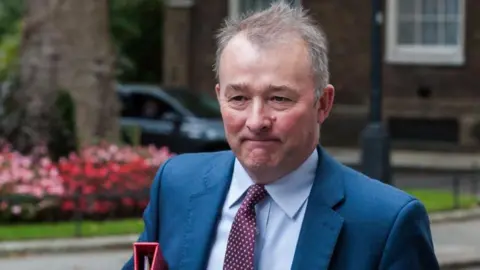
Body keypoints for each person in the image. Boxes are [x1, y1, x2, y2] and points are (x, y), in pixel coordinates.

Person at [122, 2, 439, 269]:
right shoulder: (176, 185)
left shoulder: (385, 223)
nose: (256, 121)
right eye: (239, 99)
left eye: (279, 99)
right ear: (220, 98)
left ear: (323, 104)